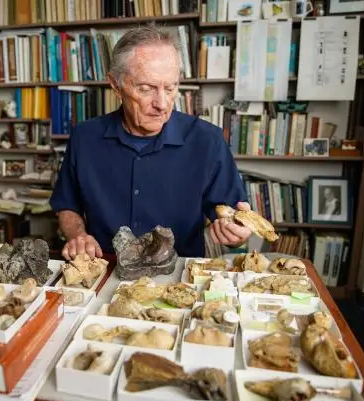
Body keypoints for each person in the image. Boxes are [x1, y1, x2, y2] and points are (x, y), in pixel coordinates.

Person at [50, 24, 253, 260]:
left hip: (178, 277)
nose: (162, 103)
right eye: (146, 89)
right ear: (116, 85)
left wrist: (237, 231)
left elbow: (232, 216)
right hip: (105, 270)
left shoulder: (208, 141)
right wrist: (78, 235)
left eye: (170, 87)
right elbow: (67, 206)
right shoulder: (84, 138)